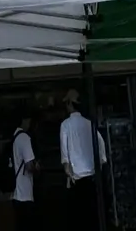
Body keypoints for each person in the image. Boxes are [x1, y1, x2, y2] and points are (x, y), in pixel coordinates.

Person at [58, 93, 106, 231]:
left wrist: (69, 173)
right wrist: (99, 168)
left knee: (79, 220)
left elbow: (65, 157)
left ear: (69, 104)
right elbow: (102, 149)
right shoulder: (89, 124)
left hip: (77, 180)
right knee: (93, 219)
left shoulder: (65, 125)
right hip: (92, 179)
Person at [10, 118, 36, 228]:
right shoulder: (24, 138)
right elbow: (29, 165)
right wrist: (37, 168)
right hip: (25, 192)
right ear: (24, 121)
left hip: (15, 192)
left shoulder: (14, 138)